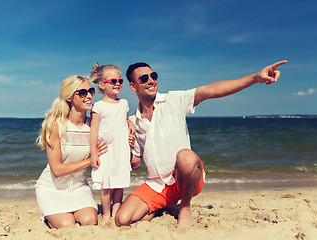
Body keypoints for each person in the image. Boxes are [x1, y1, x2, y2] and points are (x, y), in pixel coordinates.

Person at [115, 60, 287, 228]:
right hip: (157, 184)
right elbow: (135, 163)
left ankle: (184, 208)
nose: (151, 80)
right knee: (122, 219)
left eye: (153, 76)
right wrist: (127, 147)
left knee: (185, 156)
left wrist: (255, 78)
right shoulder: (133, 121)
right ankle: (165, 205)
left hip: (185, 180)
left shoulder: (174, 100)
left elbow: (211, 90)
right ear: (133, 86)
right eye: (144, 79)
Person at [35, 75, 108, 229]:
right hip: (52, 188)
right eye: (82, 92)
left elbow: (115, 123)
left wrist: (129, 124)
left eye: (91, 91)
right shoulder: (55, 125)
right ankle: (49, 216)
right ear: (69, 97)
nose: (89, 96)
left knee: (89, 221)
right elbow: (57, 170)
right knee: (67, 225)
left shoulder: (93, 125)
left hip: (79, 187)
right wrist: (90, 160)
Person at [89, 63, 135, 226]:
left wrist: (130, 123)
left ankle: (116, 211)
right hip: (106, 148)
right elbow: (93, 130)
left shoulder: (124, 103)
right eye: (113, 80)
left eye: (120, 81)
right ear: (102, 84)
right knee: (106, 185)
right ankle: (106, 214)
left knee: (119, 183)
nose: (117, 83)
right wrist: (93, 153)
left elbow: (124, 119)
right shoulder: (98, 106)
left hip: (121, 148)